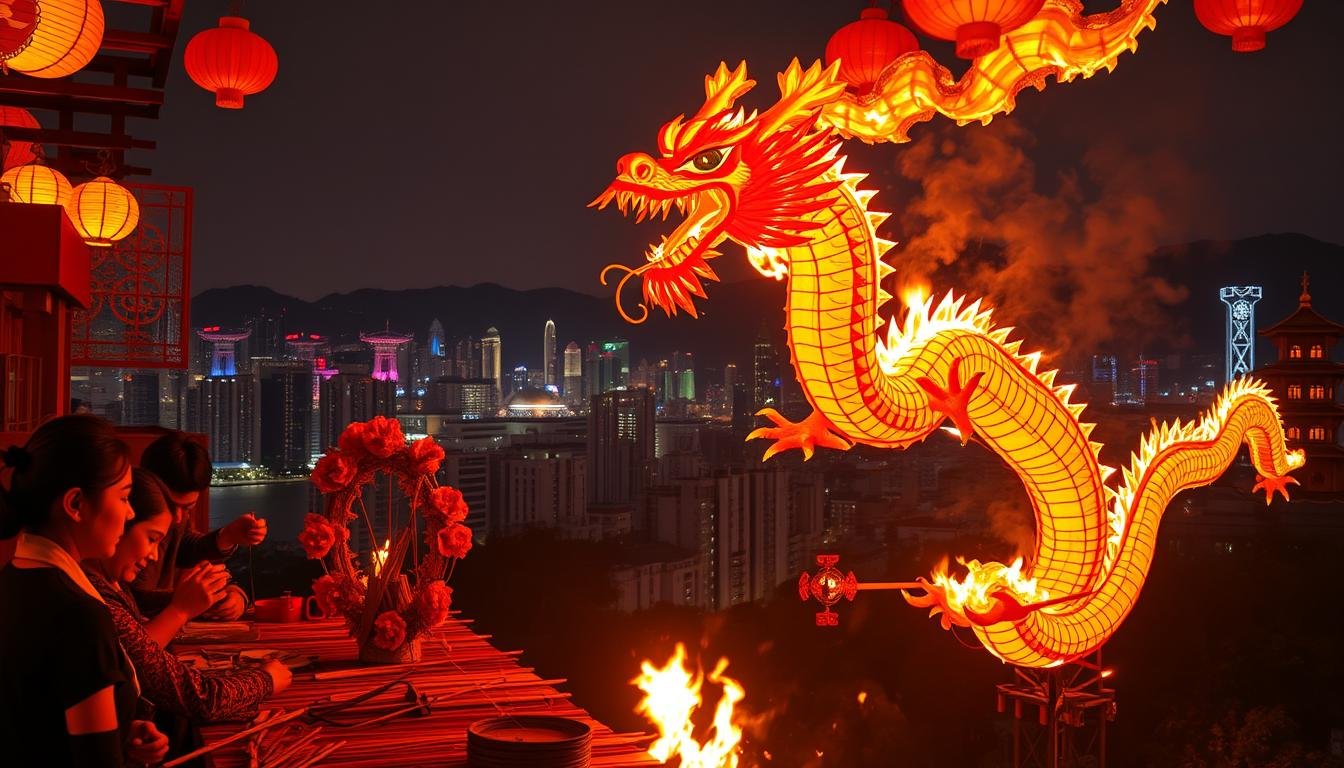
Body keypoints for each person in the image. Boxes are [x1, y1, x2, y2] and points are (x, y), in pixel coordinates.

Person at [0, 414, 169, 767]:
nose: (130, 513)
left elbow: (38, 717)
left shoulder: (12, 579)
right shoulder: (78, 616)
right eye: (124, 497)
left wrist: (120, 731)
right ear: (76, 504)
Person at [83, 468, 289, 734]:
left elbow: (145, 602)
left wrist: (221, 595)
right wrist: (265, 680)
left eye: (188, 509)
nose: (154, 555)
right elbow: (198, 699)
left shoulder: (109, 583)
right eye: (152, 539)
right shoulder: (93, 598)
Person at [134, 431, 268, 620]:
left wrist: (228, 536)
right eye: (170, 505)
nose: (178, 518)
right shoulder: (126, 532)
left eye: (188, 508)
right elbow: (133, 599)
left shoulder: (176, 524)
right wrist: (196, 601)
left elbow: (186, 548)